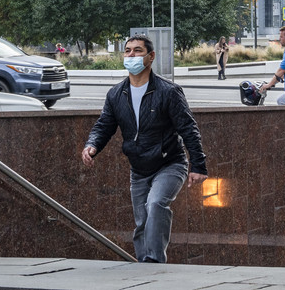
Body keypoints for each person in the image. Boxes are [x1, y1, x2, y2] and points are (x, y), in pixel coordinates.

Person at [81, 35, 208, 263]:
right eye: (127, 51)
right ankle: (143, 266)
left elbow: (189, 129)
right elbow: (104, 125)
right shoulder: (116, 94)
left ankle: (154, 263)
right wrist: (92, 145)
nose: (131, 55)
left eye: (137, 51)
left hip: (170, 163)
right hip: (139, 168)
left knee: (156, 204)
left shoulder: (168, 92)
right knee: (142, 223)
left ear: (151, 57)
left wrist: (198, 165)